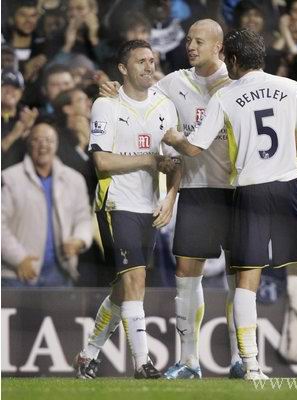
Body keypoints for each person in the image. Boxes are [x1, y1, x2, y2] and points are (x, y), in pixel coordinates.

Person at [163, 28, 297, 380]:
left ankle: (250, 365)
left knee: (247, 279)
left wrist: (172, 136)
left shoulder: (226, 95)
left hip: (248, 192)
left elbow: (194, 148)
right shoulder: (290, 87)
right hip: (290, 186)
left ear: (231, 59)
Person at [100, 19, 244, 380]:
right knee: (186, 274)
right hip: (196, 191)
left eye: (198, 41)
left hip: (237, 189)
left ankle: (241, 358)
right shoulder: (174, 82)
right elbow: (137, 92)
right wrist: (110, 87)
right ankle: (189, 362)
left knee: (239, 276)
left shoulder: (239, 84)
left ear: (218, 48)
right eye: (188, 40)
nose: (190, 46)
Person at [74, 39, 180, 380]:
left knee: (125, 289)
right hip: (116, 202)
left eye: (152, 60)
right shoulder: (106, 105)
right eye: (140, 61)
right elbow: (102, 161)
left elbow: (174, 158)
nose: (149, 66)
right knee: (135, 279)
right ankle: (143, 363)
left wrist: (171, 197)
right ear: (123, 69)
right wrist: (149, 159)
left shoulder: (164, 105)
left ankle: (88, 355)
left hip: (149, 204)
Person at [2, 121, 93, 287]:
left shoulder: (74, 179)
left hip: (60, 273)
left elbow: (83, 218)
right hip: (17, 274)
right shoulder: (9, 179)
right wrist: (19, 259)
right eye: (37, 140)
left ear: (57, 145)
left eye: (49, 140)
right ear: (29, 145)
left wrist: (79, 240)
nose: (43, 145)